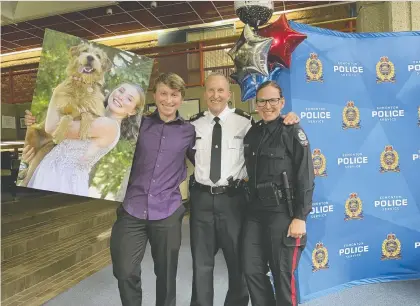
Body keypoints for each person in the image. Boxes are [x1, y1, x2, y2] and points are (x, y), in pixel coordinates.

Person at [188, 73, 300, 306]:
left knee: (238, 264)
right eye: (211, 90)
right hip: (200, 199)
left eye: (221, 90)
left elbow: (269, 133)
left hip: (233, 200)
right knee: (201, 265)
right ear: (204, 93)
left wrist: (288, 119)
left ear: (229, 94)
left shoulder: (246, 122)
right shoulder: (193, 124)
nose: (216, 95)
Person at [110, 72, 195, 306]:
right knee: (124, 271)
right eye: (164, 94)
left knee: (166, 276)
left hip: (167, 211)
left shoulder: (189, 131)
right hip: (132, 209)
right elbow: (102, 138)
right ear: (155, 95)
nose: (168, 100)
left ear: (181, 98)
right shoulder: (138, 125)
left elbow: (207, 162)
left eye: (174, 95)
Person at [241, 81, 315, 306]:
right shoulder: (253, 133)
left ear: (282, 102)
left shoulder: (292, 131)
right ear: (256, 104)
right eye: (262, 101)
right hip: (255, 213)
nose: (267, 105)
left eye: (273, 100)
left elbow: (306, 175)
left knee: (283, 277)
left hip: (283, 214)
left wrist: (300, 217)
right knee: (251, 270)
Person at [23, 82, 145, 197]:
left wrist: (58, 92)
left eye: (129, 99)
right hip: (50, 173)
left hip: (60, 181)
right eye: (121, 91)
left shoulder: (109, 126)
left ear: (133, 111)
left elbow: (52, 128)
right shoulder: (96, 117)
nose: (121, 97)